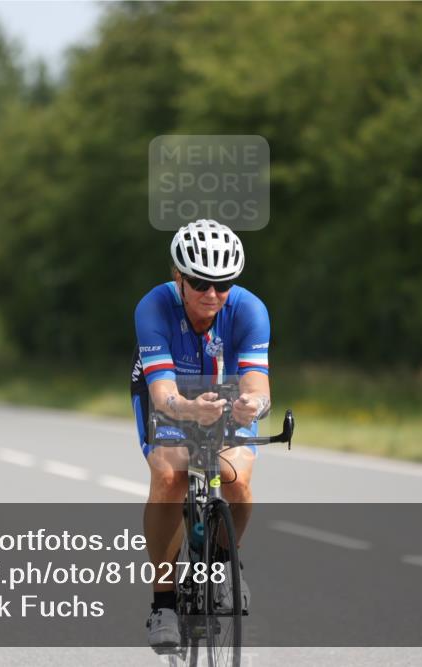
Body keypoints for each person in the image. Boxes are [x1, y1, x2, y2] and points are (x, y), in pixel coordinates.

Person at [130, 219, 272, 651]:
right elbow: (162, 392)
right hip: (168, 396)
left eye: (223, 284)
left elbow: (257, 386)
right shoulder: (153, 307)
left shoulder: (249, 310)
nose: (211, 294)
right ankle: (164, 603)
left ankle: (227, 562)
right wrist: (188, 409)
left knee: (237, 480)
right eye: (200, 282)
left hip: (225, 398)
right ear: (179, 276)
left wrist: (253, 405)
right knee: (171, 476)